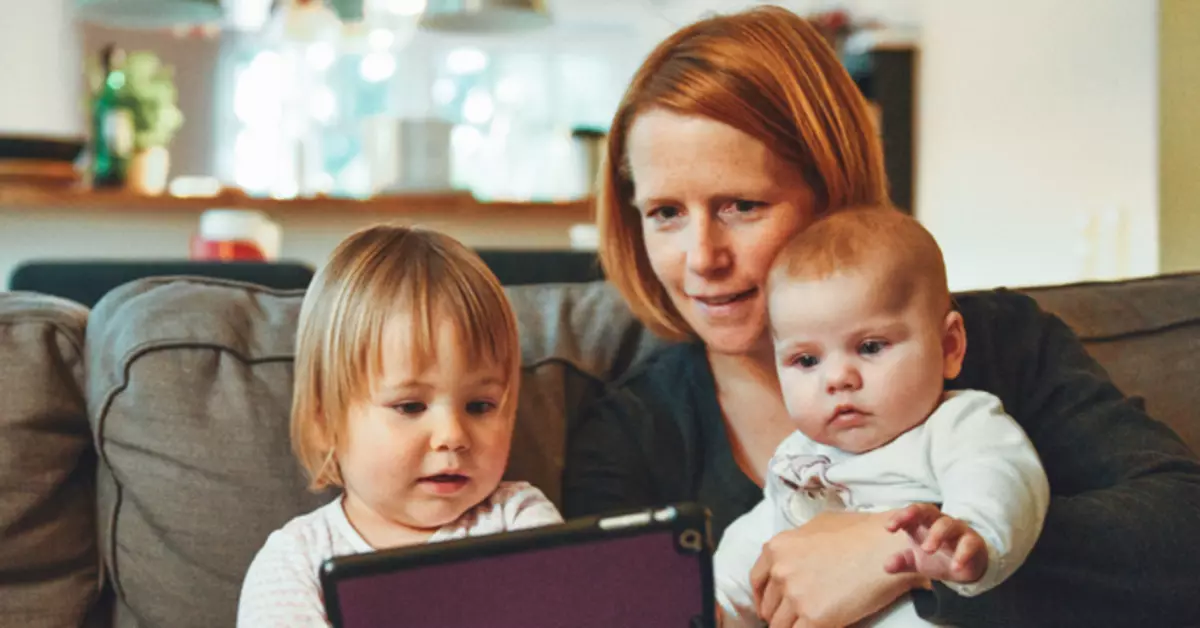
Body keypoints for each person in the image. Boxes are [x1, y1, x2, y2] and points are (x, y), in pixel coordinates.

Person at [562, 6, 1200, 627]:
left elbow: (1182, 532)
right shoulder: (629, 436)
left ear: (831, 190)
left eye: (741, 206)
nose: (702, 257)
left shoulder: (1002, 344)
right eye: (665, 213)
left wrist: (902, 554)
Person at [714, 207, 1050, 627]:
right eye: (806, 360)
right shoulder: (798, 458)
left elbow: (1001, 479)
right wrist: (718, 602)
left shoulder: (957, 424)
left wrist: (972, 537)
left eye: (870, 347)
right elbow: (757, 544)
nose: (837, 378)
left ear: (949, 347)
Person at [238, 225, 562, 626]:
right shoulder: (296, 561)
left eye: (480, 405)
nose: (452, 436)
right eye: (410, 406)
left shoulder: (519, 521)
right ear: (324, 421)